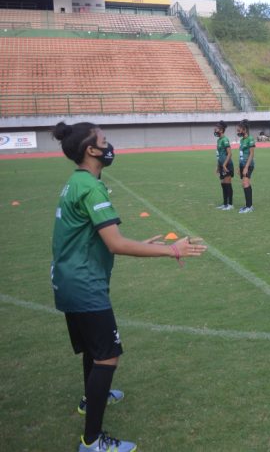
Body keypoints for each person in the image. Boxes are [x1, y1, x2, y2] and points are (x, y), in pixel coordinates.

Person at [50, 121, 207, 452]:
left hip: (68, 281)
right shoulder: (91, 188)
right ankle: (92, 442)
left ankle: (91, 397)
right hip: (84, 285)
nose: (109, 146)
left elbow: (96, 238)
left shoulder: (76, 182)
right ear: (91, 151)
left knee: (95, 351)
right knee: (108, 358)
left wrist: (141, 241)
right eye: (104, 141)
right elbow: (115, 244)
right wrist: (170, 249)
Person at [237, 119, 256, 213]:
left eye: (239, 129)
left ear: (244, 129)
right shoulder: (242, 140)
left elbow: (252, 154)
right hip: (242, 164)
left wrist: (246, 167)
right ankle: (248, 205)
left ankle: (249, 207)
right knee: (246, 184)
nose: (238, 131)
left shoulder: (250, 139)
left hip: (248, 165)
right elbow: (241, 154)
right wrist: (239, 166)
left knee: (245, 183)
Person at [215, 120, 234, 210]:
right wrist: (218, 166)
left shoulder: (225, 140)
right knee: (223, 184)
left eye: (217, 128)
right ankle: (225, 203)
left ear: (221, 130)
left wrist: (224, 165)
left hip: (227, 165)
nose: (215, 130)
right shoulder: (219, 140)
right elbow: (219, 155)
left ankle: (230, 204)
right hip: (222, 165)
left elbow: (230, 154)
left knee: (227, 184)